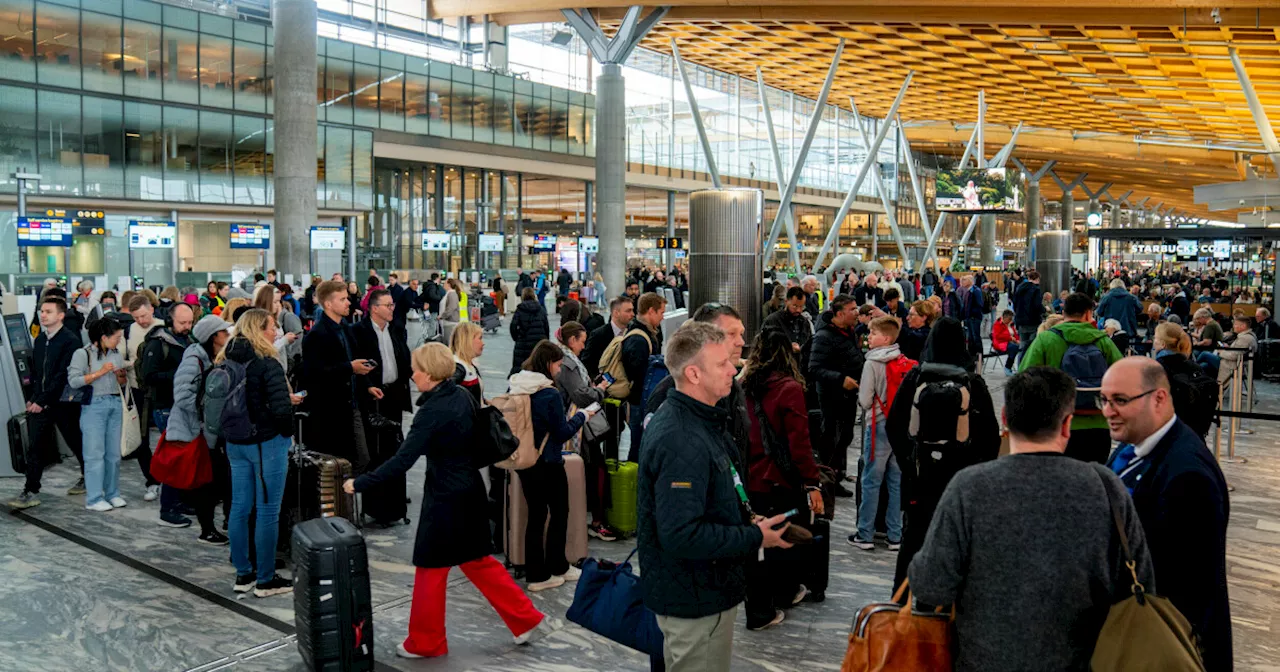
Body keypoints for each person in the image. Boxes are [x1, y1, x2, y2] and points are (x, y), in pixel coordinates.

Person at [908, 367, 1155, 672]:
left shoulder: (970, 486)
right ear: (1067, 424)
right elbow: (1140, 584)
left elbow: (932, 586)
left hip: (984, 661)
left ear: (1005, 419)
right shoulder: (1105, 487)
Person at [342, 342, 545, 658]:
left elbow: (402, 460)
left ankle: (427, 641)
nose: (411, 374)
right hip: (470, 489)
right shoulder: (459, 395)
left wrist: (361, 482)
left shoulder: (431, 413)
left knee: (430, 568)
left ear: (428, 373)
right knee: (478, 561)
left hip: (446, 498)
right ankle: (525, 618)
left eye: (415, 369)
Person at [637, 321, 792, 672]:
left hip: (704, 590)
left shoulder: (701, 420)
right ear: (693, 373)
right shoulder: (680, 436)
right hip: (694, 599)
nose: (734, 368)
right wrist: (754, 536)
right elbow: (681, 534)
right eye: (722, 363)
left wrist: (744, 517)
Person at [1101, 358, 1232, 671]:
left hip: (1163, 645)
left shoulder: (1188, 475)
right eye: (1104, 399)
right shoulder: (1134, 443)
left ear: (1159, 398)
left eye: (1120, 400)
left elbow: (1186, 588)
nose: (1107, 410)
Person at [885, 317, 998, 590]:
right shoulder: (973, 383)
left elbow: (894, 426)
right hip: (960, 481)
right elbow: (990, 437)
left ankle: (902, 603)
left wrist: (909, 461)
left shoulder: (916, 377)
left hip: (920, 478)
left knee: (913, 540)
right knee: (959, 544)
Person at [741, 329, 823, 630]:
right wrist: (812, 482)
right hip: (779, 476)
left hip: (751, 476)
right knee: (786, 535)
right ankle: (775, 600)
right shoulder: (789, 388)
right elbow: (798, 442)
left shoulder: (743, 384)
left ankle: (764, 602)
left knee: (759, 543)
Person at [222, 309, 300, 598]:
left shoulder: (225, 358)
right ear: (259, 329)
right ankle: (266, 579)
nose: (275, 331)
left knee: (240, 508)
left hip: (234, 442)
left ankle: (244, 574)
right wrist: (287, 433)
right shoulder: (267, 363)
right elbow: (281, 408)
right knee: (268, 510)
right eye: (272, 326)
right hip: (266, 443)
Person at [508, 341, 594, 591]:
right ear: (548, 363)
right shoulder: (549, 394)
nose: (559, 370)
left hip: (525, 461)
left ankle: (536, 573)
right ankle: (557, 565)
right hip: (548, 462)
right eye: (557, 364)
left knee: (535, 516)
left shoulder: (516, 384)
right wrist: (582, 416)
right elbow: (561, 432)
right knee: (559, 512)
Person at [1018, 292, 1123, 464]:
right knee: (1094, 481)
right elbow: (1123, 377)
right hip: (1098, 423)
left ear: (1063, 312)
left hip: (1055, 425)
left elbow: (1024, 379)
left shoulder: (1046, 339)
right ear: (1089, 314)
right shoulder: (1103, 341)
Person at [168, 315, 234, 544]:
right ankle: (206, 529)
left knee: (217, 480)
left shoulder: (214, 358)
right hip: (196, 431)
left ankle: (218, 524)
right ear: (214, 336)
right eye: (224, 332)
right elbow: (182, 396)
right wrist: (208, 412)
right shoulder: (194, 359)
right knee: (205, 482)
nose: (228, 335)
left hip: (209, 432)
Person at [302, 280, 377, 472]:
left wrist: (366, 382)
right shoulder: (316, 335)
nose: (348, 303)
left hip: (352, 404)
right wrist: (349, 368)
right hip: (331, 409)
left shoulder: (345, 328)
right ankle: (342, 500)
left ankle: (347, 497)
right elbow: (315, 374)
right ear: (328, 304)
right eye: (342, 299)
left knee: (361, 458)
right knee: (340, 462)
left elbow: (354, 359)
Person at [554, 322, 617, 541]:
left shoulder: (568, 360)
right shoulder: (569, 363)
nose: (584, 345)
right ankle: (595, 521)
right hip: (578, 425)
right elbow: (580, 395)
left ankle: (592, 519)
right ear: (572, 341)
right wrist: (598, 391)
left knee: (592, 469)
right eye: (581, 341)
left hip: (578, 423)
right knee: (593, 469)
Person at [848, 316, 905, 552]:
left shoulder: (872, 363)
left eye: (872, 333)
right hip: (899, 429)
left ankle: (865, 533)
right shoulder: (903, 360)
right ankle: (895, 536)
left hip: (878, 426)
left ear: (886, 338)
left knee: (871, 481)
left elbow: (864, 399)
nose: (868, 337)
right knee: (895, 482)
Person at [140, 302, 196, 527]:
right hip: (166, 407)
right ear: (170, 320)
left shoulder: (187, 340)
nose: (187, 326)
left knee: (184, 458)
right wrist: (180, 374)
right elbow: (149, 376)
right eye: (183, 322)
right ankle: (168, 507)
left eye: (190, 322)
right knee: (174, 459)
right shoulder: (158, 344)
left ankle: (180, 501)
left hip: (182, 406)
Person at [67, 316, 128, 512]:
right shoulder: (82, 354)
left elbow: (121, 383)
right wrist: (99, 373)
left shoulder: (116, 353)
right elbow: (74, 381)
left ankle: (113, 493)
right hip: (94, 404)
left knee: (113, 454)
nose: (119, 340)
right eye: (116, 337)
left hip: (115, 402)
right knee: (94, 454)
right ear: (103, 337)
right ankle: (93, 498)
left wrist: (121, 377)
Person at [807, 295, 863, 497]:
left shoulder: (848, 331)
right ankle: (827, 482)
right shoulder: (824, 336)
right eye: (853, 309)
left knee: (845, 437)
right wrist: (841, 379)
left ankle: (836, 478)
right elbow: (814, 369)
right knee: (830, 440)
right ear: (840, 314)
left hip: (849, 397)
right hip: (831, 397)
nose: (857, 312)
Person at [122, 293, 164, 500]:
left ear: (152, 310)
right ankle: (152, 480)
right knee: (141, 438)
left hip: (161, 390)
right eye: (136, 317)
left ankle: (173, 482)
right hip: (137, 389)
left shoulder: (164, 328)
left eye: (144, 316)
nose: (141, 321)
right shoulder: (130, 330)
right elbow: (126, 357)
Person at [622, 292, 666, 458]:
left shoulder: (645, 333)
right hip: (640, 402)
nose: (663, 317)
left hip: (642, 401)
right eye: (661, 312)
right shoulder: (639, 340)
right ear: (651, 311)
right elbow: (638, 374)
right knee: (639, 445)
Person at [582, 296, 634, 378]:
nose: (632, 314)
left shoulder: (633, 333)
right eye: (628, 311)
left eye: (632, 310)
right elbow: (587, 362)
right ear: (616, 313)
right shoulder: (598, 335)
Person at [509, 287, 550, 376]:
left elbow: (513, 326)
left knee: (520, 369)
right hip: (539, 343)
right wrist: (545, 340)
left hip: (523, 343)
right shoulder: (541, 309)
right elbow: (546, 326)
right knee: (538, 368)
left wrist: (517, 338)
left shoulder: (520, 309)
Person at [761, 286, 813, 354]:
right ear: (786, 302)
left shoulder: (804, 323)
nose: (798, 310)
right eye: (795, 306)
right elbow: (764, 346)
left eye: (801, 306)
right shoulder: (772, 321)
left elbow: (809, 345)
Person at [449, 321, 486, 405]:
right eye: (480, 338)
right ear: (467, 341)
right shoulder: (458, 367)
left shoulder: (469, 365)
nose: (483, 343)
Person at [1011, 269, 1044, 359]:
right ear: (1037, 279)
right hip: (1033, 321)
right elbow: (1037, 306)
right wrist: (1044, 309)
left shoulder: (1019, 288)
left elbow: (1014, 304)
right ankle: (1028, 368)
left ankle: (1020, 368)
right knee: (1031, 347)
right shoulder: (1036, 290)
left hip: (1021, 321)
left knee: (1022, 346)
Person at [1217, 313, 1257, 386]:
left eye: (1235, 324)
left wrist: (1221, 352)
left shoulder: (1245, 338)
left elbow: (1235, 356)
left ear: (1243, 326)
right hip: (1234, 362)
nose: (1233, 326)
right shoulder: (1246, 336)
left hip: (1235, 366)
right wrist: (1228, 349)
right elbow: (1237, 352)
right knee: (1205, 364)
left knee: (1205, 356)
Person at [991, 309, 1020, 375]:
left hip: (1010, 342)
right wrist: (1010, 338)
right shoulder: (997, 324)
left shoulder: (1010, 324)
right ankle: (1007, 367)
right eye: (1009, 319)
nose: (1010, 320)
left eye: (1011, 319)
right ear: (1005, 317)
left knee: (1018, 347)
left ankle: (1010, 367)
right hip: (1000, 343)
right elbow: (998, 336)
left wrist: (1018, 340)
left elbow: (1015, 334)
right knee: (1014, 348)